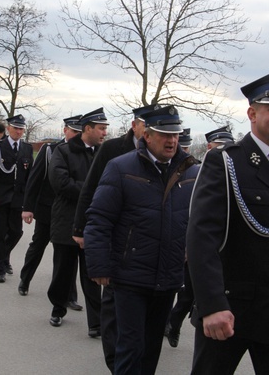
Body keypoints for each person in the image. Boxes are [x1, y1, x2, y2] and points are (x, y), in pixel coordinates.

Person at [186, 68, 269, 375]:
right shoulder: (226, 161)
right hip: (229, 310)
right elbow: (201, 238)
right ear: (252, 113)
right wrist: (211, 305)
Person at [85, 105, 199, 374]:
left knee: (151, 350)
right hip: (130, 275)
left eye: (175, 134)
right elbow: (99, 218)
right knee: (130, 347)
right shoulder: (121, 167)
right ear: (147, 135)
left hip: (168, 275)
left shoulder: (191, 172)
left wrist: (188, 251)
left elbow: (196, 221)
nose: (171, 140)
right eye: (164, 134)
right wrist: (99, 265)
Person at [73, 104, 159, 373]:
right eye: (147, 125)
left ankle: (135, 355)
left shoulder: (163, 154)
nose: (150, 131)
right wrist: (80, 229)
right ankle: (115, 360)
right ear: (135, 125)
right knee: (112, 302)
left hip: (148, 242)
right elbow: (91, 188)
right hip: (116, 236)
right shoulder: (112, 150)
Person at [166, 125, 235, 349]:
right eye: (219, 146)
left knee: (198, 293)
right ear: (209, 146)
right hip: (193, 242)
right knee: (188, 292)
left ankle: (175, 323)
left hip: (223, 246)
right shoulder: (194, 170)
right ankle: (174, 324)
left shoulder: (233, 172)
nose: (225, 150)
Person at [47, 108, 109, 336]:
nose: (104, 133)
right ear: (87, 129)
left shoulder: (105, 154)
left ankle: (96, 323)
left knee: (92, 273)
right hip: (66, 220)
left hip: (93, 223)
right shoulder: (63, 151)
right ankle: (58, 308)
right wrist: (92, 190)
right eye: (101, 128)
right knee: (63, 270)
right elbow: (60, 182)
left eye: (105, 129)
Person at [18, 115, 82, 304]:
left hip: (69, 212)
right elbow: (35, 180)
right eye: (74, 131)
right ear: (65, 131)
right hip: (47, 209)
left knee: (67, 255)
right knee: (38, 245)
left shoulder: (84, 153)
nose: (77, 135)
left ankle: (69, 296)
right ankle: (25, 279)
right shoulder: (49, 150)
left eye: (80, 132)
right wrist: (28, 208)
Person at [0, 115, 33, 282]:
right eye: (15, 128)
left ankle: (3, 256)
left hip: (18, 199)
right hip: (0, 197)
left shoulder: (26, 148)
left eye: (21, 129)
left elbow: (29, 176)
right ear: (9, 129)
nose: (18, 132)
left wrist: (29, 201)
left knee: (16, 232)